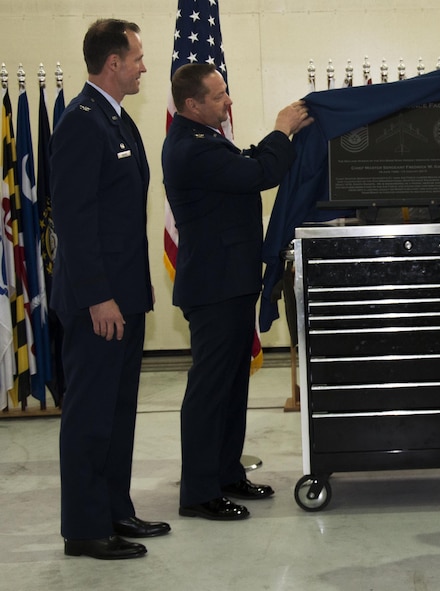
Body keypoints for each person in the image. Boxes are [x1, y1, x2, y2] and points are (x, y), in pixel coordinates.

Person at [162, 63, 313, 521]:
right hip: (214, 287)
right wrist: (282, 131)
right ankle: (199, 493)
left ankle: (226, 474)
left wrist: (278, 140)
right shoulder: (190, 148)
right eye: (219, 95)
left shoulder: (205, 140)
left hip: (228, 282)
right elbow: (257, 174)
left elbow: (245, 162)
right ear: (192, 104)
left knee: (229, 386)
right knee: (210, 389)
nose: (228, 101)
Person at [50, 19, 169, 560]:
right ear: (113, 63)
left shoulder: (116, 121)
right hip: (97, 302)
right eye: (138, 56)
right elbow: (74, 221)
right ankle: (84, 528)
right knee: (90, 416)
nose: (145, 65)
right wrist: (99, 295)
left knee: (118, 413)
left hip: (124, 298)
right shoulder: (81, 123)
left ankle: (115, 511)